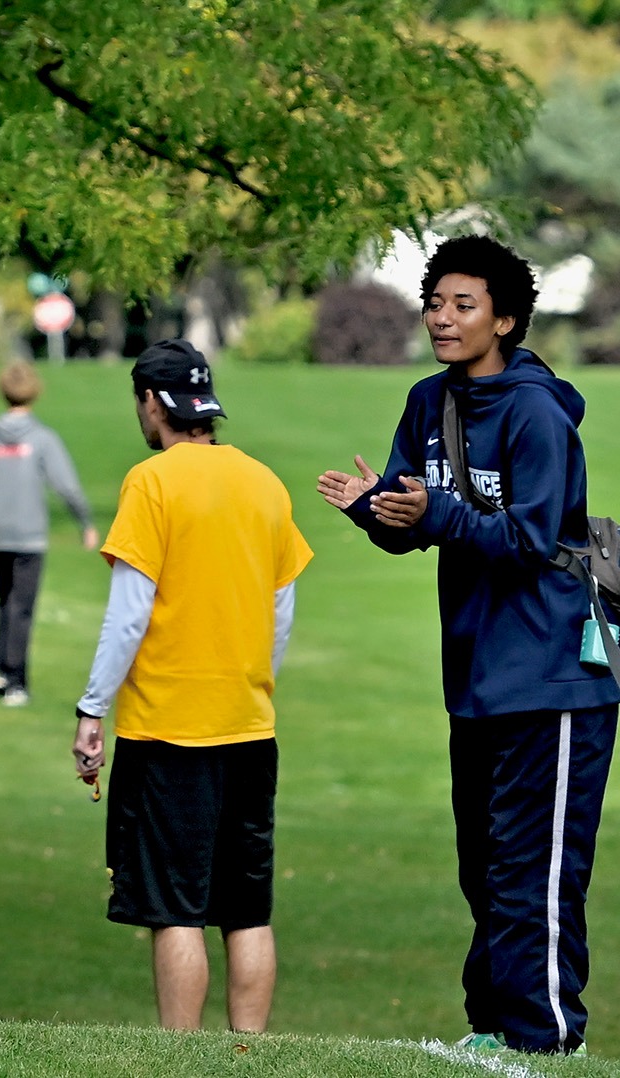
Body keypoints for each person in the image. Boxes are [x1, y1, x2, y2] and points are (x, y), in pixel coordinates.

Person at [317, 235, 618, 1056]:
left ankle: (548, 1038)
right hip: (479, 677)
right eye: (435, 302)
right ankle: (491, 1029)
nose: (442, 319)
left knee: (537, 870)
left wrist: (435, 516)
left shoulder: (535, 410)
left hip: (554, 675)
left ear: (506, 319)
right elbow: (411, 528)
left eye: (464, 305)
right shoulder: (427, 402)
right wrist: (373, 508)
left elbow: (529, 538)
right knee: (484, 869)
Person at [72, 340, 311, 1033]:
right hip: (249, 723)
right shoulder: (265, 483)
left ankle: (181, 1057)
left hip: (168, 730)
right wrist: (249, 679)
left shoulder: (152, 481)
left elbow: (130, 612)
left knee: (174, 908)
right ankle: (249, 1055)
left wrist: (92, 706)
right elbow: (282, 610)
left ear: (151, 402)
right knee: (246, 907)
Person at [0, 360, 97, 707]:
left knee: (4, 598)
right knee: (22, 606)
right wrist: (85, 522)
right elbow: (66, 485)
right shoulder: (42, 438)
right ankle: (16, 681)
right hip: (29, 534)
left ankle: (0, 667)